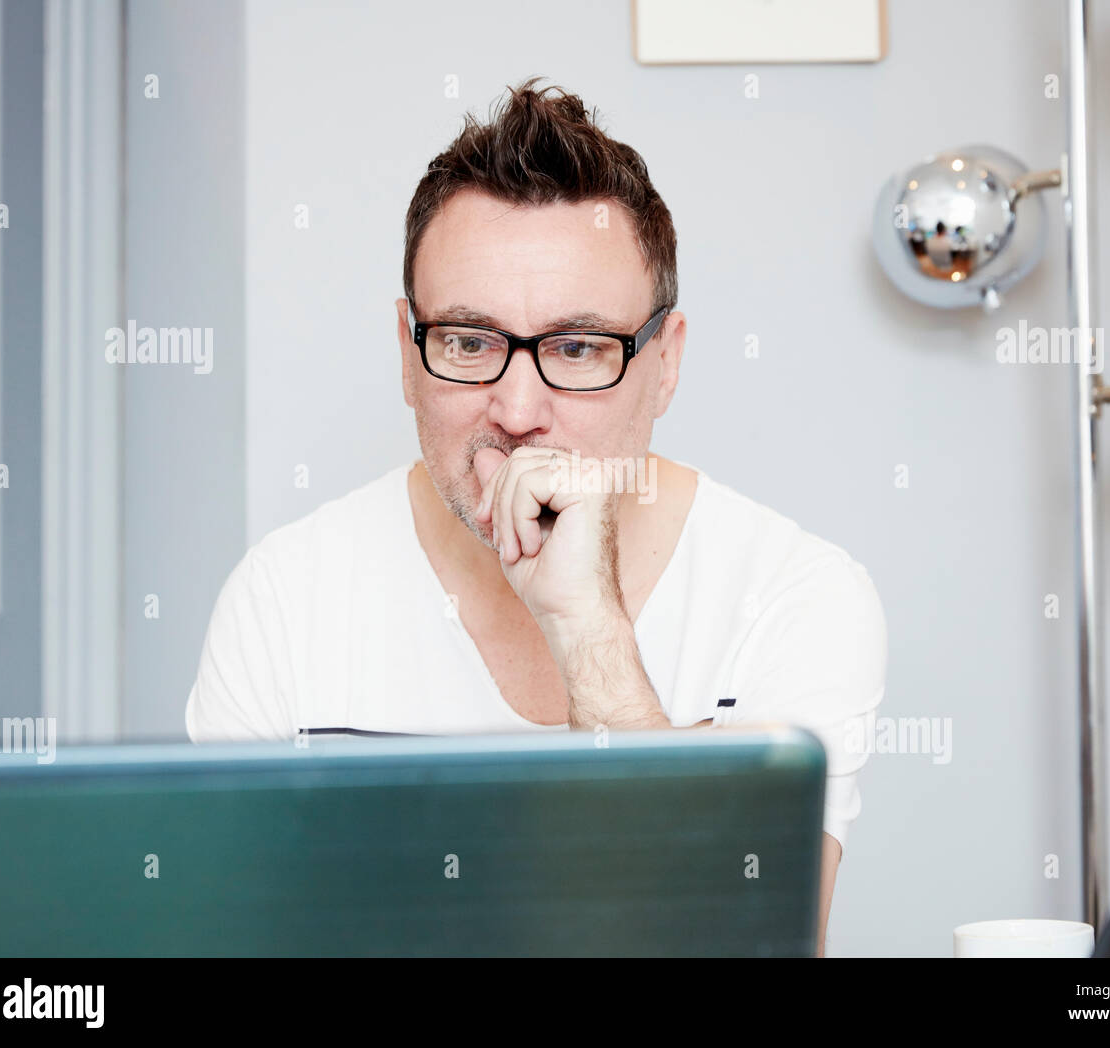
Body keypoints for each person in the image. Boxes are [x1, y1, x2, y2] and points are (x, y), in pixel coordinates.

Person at [185, 78, 887, 952]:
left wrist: (588, 627)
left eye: (578, 347)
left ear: (664, 364)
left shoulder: (796, 596)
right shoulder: (282, 600)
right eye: (470, 343)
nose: (518, 408)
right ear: (409, 356)